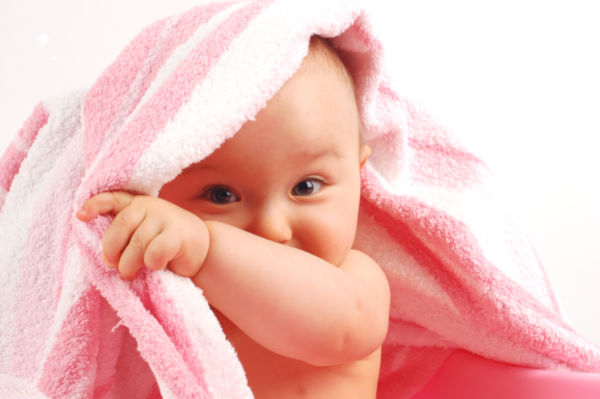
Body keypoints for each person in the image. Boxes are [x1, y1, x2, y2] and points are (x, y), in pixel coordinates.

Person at [76, 36, 390, 399]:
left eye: (306, 187)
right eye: (221, 195)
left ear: (359, 176)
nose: (272, 228)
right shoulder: (166, 291)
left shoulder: (355, 279)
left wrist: (206, 248)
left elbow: (341, 331)